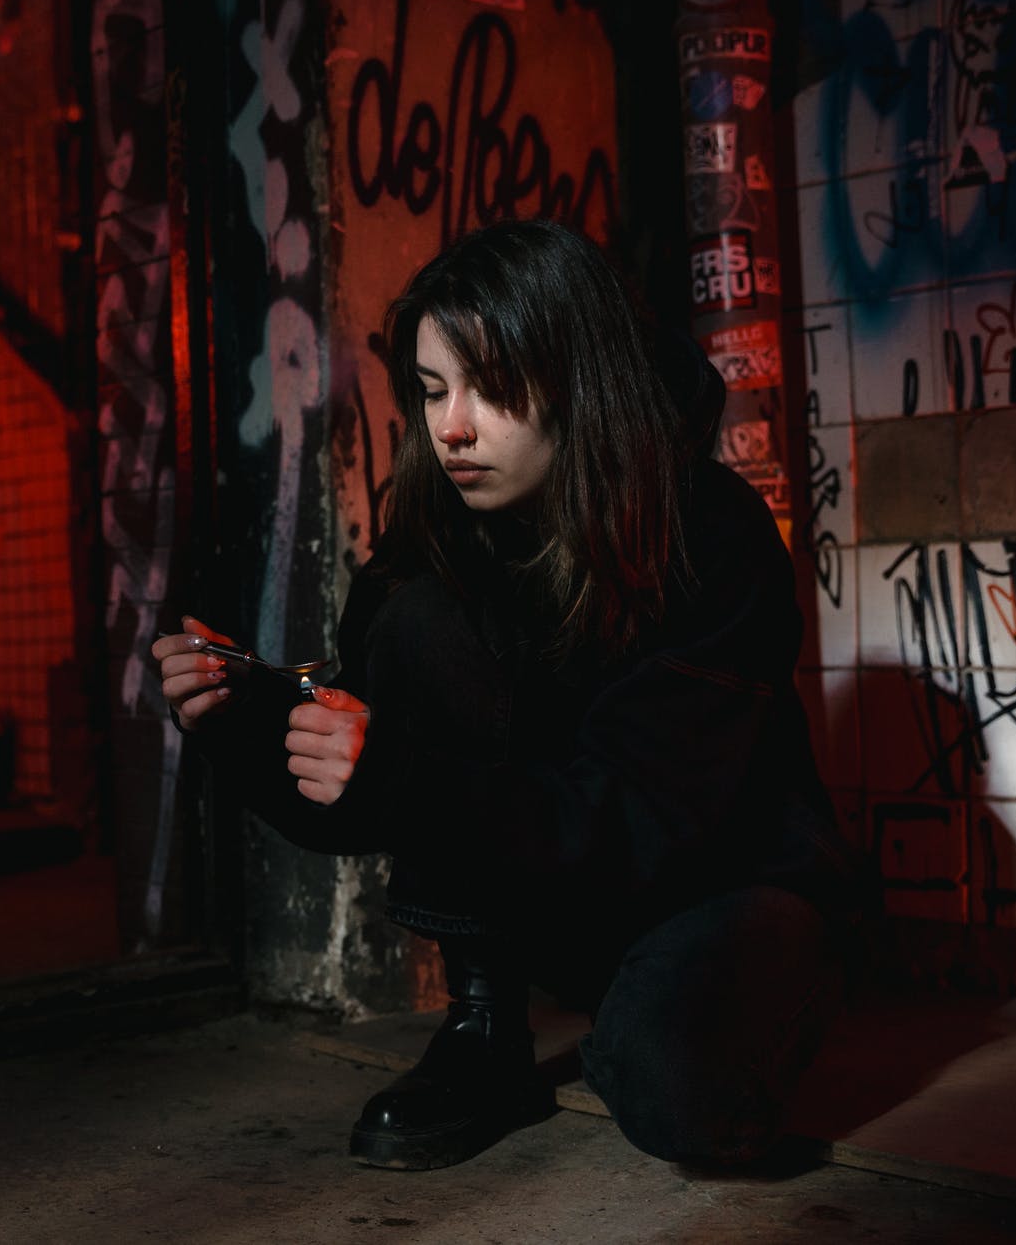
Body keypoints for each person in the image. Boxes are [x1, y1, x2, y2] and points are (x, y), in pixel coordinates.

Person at [152, 220, 870, 1171]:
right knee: (417, 617)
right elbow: (373, 787)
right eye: (433, 389)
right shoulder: (438, 534)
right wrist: (242, 718)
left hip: (725, 883)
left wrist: (406, 776)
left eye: (490, 387)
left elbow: (642, 815)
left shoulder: (710, 533)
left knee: (675, 1087)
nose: (451, 427)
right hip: (562, 890)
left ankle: (694, 999)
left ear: (578, 380)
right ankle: (484, 1027)